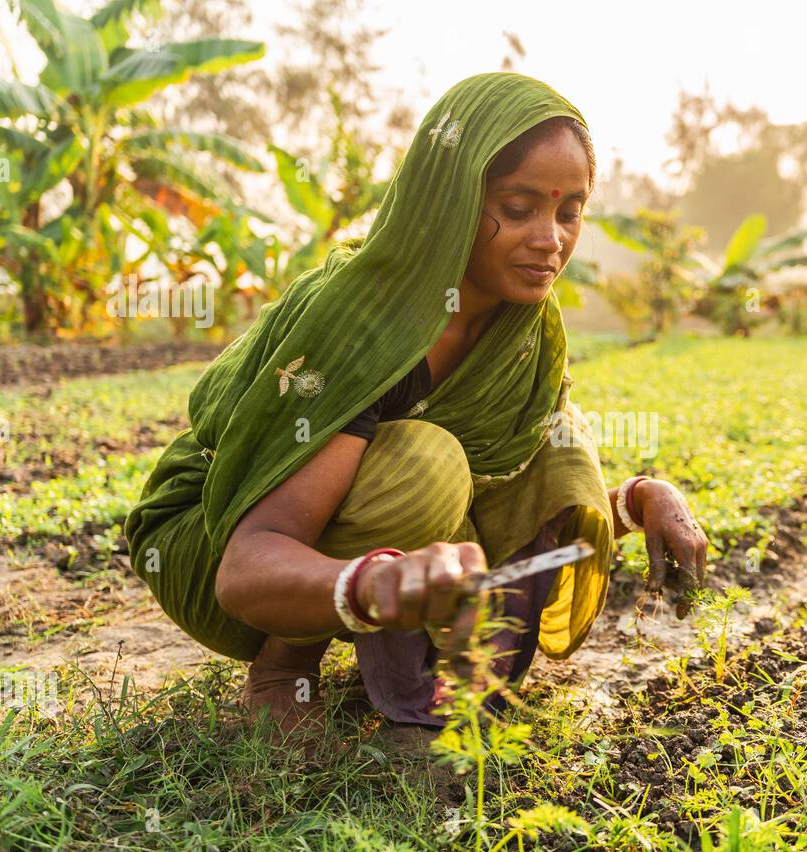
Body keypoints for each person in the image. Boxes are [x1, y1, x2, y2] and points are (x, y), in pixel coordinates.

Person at [124, 72, 708, 744]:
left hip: (351, 553)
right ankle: (285, 667)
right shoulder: (370, 324)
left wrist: (642, 499)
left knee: (560, 446)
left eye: (568, 213)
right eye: (518, 210)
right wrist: (376, 582)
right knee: (427, 466)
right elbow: (247, 563)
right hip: (212, 540)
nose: (551, 239)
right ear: (450, 200)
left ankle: (437, 666)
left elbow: (514, 499)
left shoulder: (523, 331)